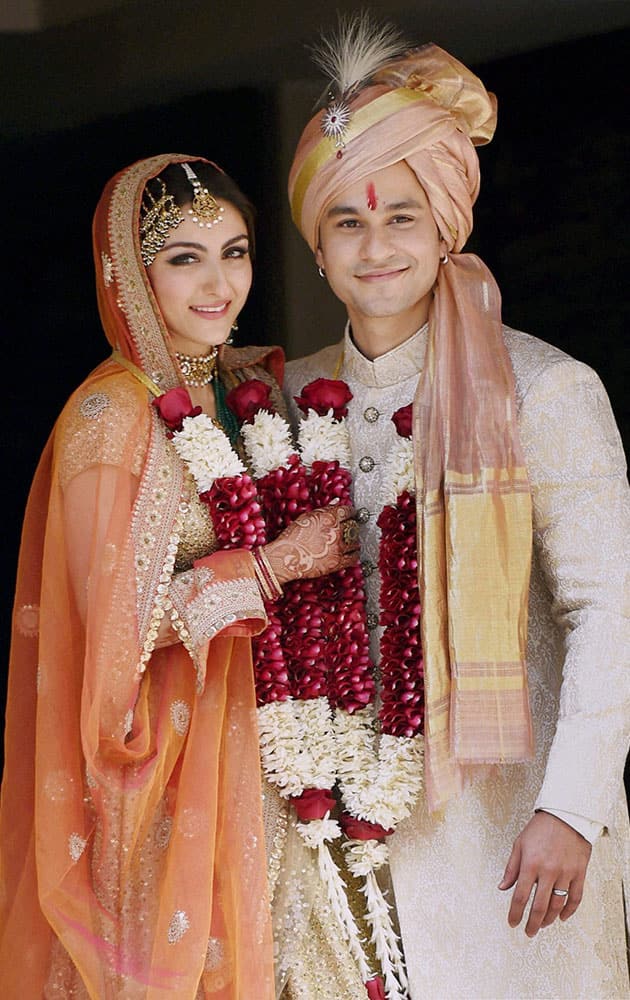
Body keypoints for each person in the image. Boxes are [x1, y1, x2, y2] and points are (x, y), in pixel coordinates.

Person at [284, 16, 630, 998]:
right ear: (317, 247)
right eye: (347, 221)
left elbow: (611, 611)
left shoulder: (547, 389)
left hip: (516, 845)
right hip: (340, 854)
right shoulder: (288, 402)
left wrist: (573, 810)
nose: (377, 245)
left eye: (401, 215)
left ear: (445, 223)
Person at [0, 153, 357, 998]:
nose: (218, 284)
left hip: (269, 753)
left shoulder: (245, 389)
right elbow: (116, 621)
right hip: (164, 773)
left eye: (233, 252)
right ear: (129, 272)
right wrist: (275, 564)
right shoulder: (108, 416)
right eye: (184, 257)